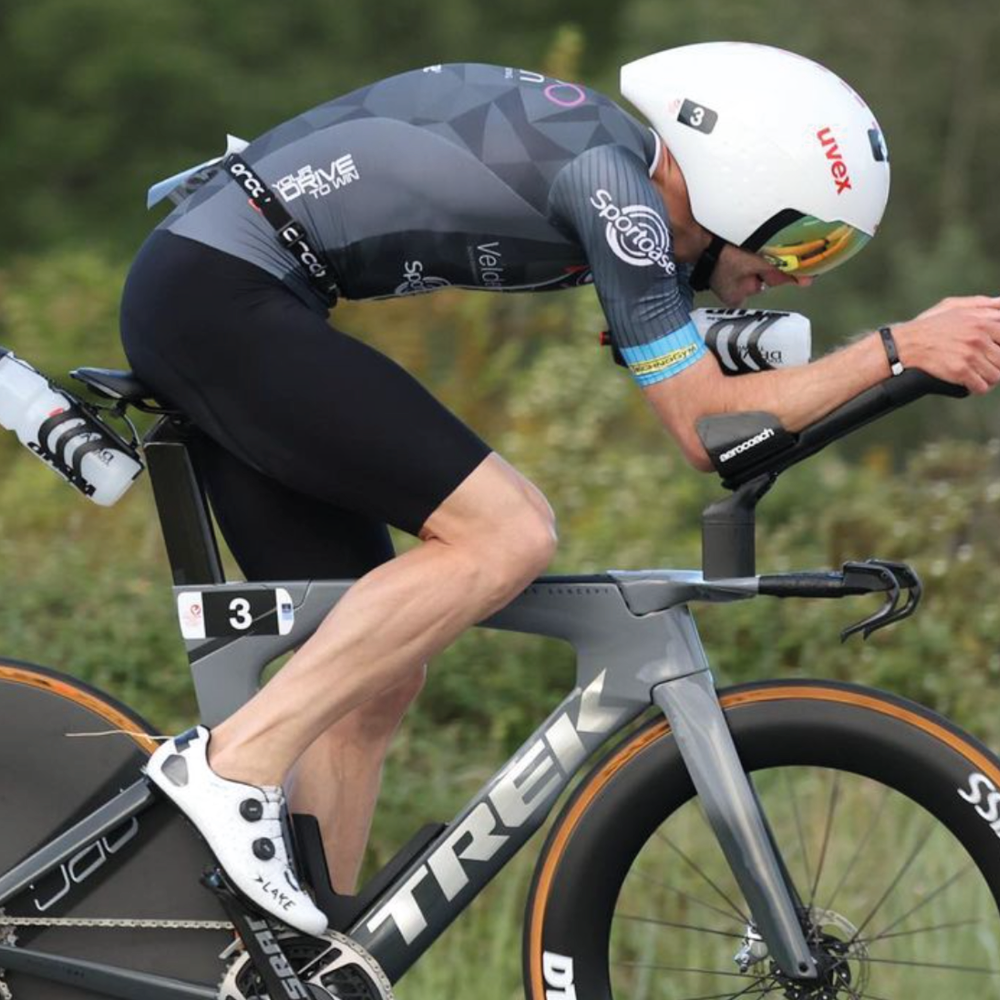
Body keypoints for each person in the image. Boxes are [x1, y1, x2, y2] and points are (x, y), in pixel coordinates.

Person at [126, 43, 1000, 936]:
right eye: (804, 240)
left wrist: (835, 364)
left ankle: (293, 964)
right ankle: (231, 767)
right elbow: (705, 428)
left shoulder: (620, 180)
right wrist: (897, 348)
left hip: (228, 291)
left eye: (830, 252)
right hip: (220, 296)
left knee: (376, 675)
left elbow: (692, 374)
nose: (803, 273)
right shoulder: (617, 192)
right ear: (739, 182)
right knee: (509, 532)